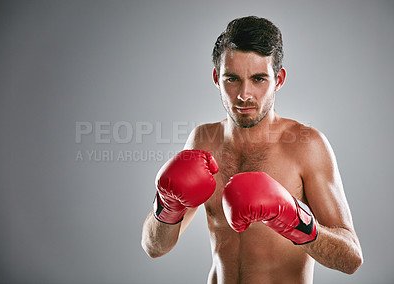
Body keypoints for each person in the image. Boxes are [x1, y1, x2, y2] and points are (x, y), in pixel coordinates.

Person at [141, 16, 363, 283]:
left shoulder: (307, 145)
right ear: (216, 78)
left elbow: (351, 259)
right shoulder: (203, 140)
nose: (244, 94)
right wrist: (168, 205)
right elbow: (155, 247)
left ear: (278, 79)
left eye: (258, 79)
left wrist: (295, 221)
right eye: (232, 79)